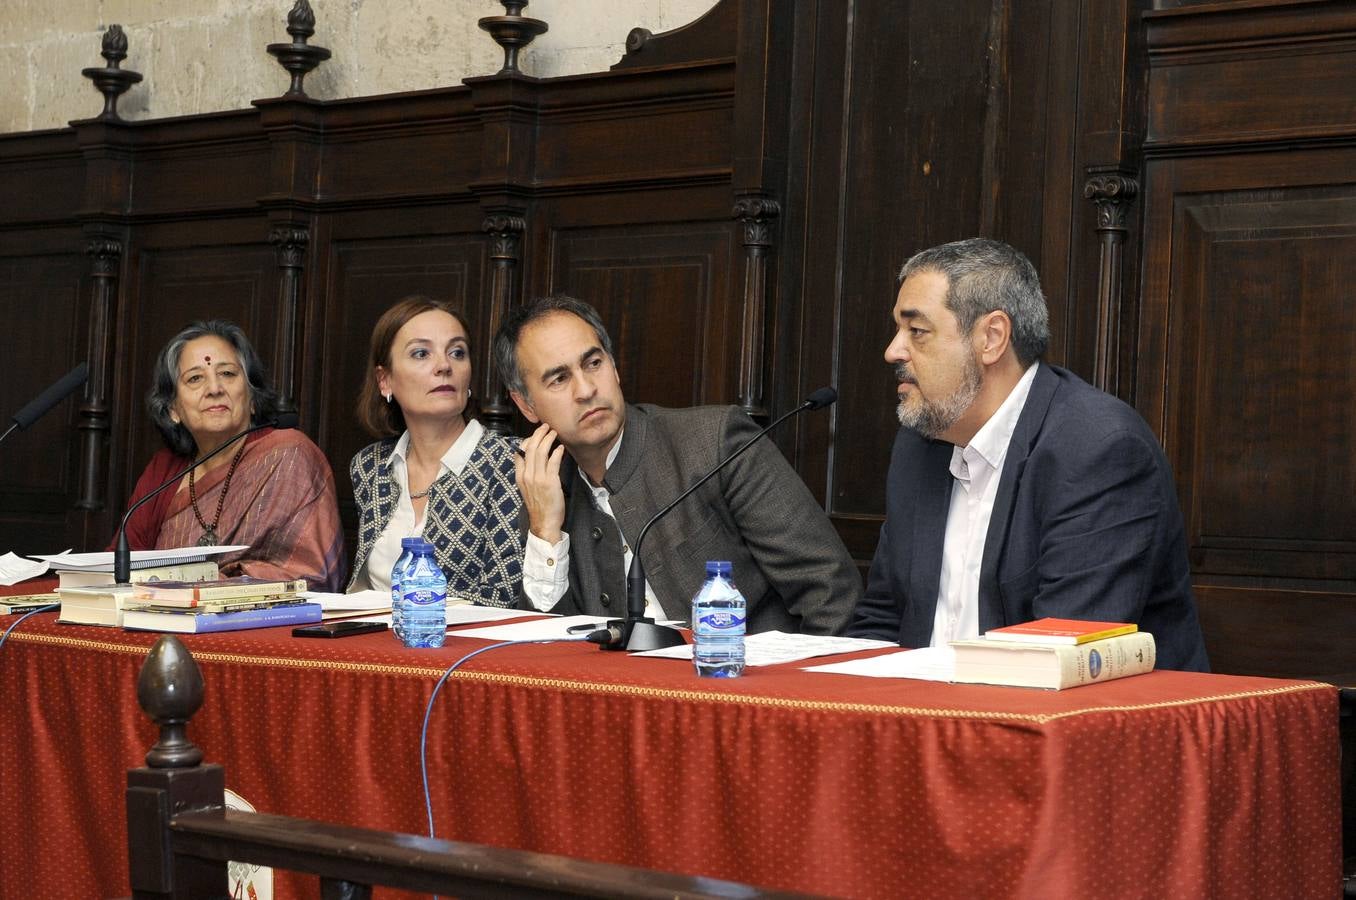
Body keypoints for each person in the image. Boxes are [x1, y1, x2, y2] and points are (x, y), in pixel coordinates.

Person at [847, 238, 1209, 671]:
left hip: (1066, 708)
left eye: (917, 331)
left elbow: (1064, 648)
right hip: (928, 705)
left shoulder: (1097, 448)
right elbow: (883, 618)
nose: (893, 350)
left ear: (991, 338)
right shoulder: (918, 446)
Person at [493, 294, 861, 634]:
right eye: (559, 379)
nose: (587, 389)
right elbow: (546, 647)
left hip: (745, 676)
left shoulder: (714, 442)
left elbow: (830, 592)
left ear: (614, 368)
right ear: (526, 405)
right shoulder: (545, 488)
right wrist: (545, 532)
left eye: (593, 363)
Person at [121, 320, 345, 591]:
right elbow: (121, 569)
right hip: (162, 613)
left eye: (227, 374)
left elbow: (311, 574)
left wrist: (210, 585)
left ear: (252, 399)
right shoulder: (164, 472)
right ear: (173, 410)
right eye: (195, 378)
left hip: (263, 616)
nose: (214, 389)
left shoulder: (289, 456)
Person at [348, 296, 522, 607]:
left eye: (457, 352)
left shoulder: (510, 462)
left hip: (466, 638)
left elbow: (505, 597)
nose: (444, 366)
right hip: (370, 633)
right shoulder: (369, 466)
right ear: (385, 380)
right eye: (421, 353)